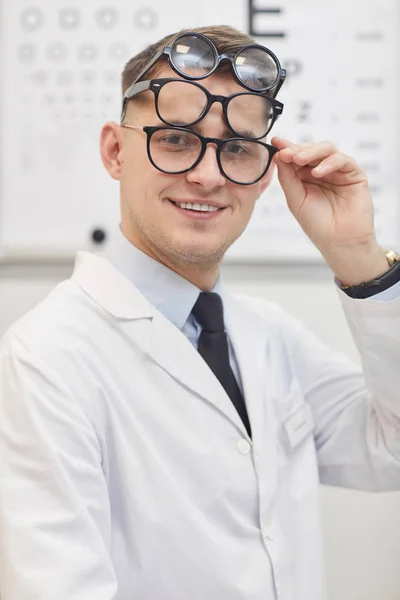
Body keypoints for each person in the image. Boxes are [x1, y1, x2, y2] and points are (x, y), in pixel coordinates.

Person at [0, 23, 400, 600]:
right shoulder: (47, 360)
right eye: (176, 139)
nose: (207, 175)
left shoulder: (267, 336)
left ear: (264, 173)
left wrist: (358, 256)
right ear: (116, 151)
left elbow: (389, 450)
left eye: (236, 148)